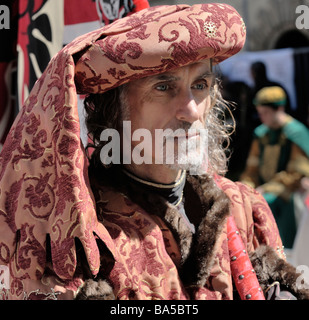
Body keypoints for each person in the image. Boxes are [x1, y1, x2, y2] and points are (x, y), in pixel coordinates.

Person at [0, 4, 308, 301]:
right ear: (114, 111)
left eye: (200, 85)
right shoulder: (82, 239)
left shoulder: (243, 208)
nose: (191, 111)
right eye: (163, 87)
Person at [241, 86, 309, 249]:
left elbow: (296, 172)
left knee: (266, 202)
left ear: (279, 108)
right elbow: (252, 168)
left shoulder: (295, 132)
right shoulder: (261, 133)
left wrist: (266, 189)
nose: (261, 117)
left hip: (288, 189)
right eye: (260, 112)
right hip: (264, 188)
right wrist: (246, 187)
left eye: (265, 112)